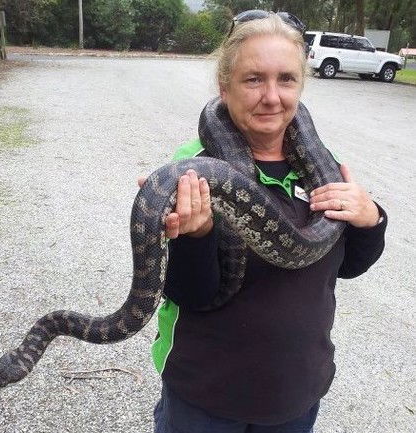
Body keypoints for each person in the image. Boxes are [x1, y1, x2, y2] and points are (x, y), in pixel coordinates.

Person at [147, 10, 387, 433]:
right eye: (254, 79)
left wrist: (371, 219)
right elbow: (193, 295)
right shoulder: (195, 170)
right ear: (225, 87)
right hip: (206, 396)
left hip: (294, 392)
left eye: (286, 79)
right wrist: (196, 236)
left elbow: (346, 267)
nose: (272, 97)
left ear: (301, 86)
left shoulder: (324, 168)